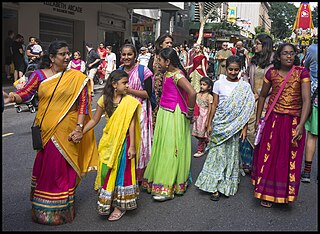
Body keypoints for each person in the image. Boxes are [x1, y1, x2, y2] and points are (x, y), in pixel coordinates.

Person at [3, 40, 99, 225]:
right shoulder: (39, 75)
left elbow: (83, 105)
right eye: (62, 54)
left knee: (63, 169)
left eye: (68, 53)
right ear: (52, 58)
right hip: (46, 130)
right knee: (47, 169)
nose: (67, 57)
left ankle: (61, 210)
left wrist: (79, 128)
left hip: (68, 130)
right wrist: (12, 97)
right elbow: (25, 93)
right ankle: (43, 209)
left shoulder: (77, 77)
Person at [75, 70, 141, 221]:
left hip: (124, 143)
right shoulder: (104, 100)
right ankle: (110, 199)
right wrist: (80, 131)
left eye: (127, 82)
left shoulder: (129, 102)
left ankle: (120, 206)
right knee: (106, 171)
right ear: (114, 84)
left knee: (122, 173)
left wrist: (132, 147)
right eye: (124, 83)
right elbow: (94, 120)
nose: (127, 85)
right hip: (108, 142)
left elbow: (131, 124)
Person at [251, 43, 311, 208]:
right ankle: (267, 193)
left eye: (291, 53)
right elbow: (263, 96)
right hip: (273, 121)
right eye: (285, 53)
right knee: (270, 156)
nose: (289, 56)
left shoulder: (302, 73)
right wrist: (258, 120)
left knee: (287, 158)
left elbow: (307, 100)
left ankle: (284, 194)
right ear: (278, 56)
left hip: (293, 123)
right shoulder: (272, 73)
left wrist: (301, 125)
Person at [195, 55, 255, 201]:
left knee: (230, 153)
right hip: (220, 123)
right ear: (226, 68)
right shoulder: (218, 84)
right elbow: (214, 105)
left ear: (240, 70)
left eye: (236, 70)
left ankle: (225, 184)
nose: (233, 72)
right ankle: (213, 185)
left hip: (235, 126)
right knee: (216, 153)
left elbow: (246, 109)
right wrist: (209, 124)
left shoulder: (244, 86)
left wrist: (244, 128)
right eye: (230, 69)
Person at [142, 47, 197, 201]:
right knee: (162, 147)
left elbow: (192, 93)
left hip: (174, 114)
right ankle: (160, 181)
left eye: (159, 59)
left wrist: (190, 113)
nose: (157, 62)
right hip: (165, 113)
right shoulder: (167, 73)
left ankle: (167, 186)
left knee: (170, 148)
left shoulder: (178, 75)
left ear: (167, 61)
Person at [119, 44, 154, 183]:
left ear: (135, 56)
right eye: (124, 55)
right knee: (123, 142)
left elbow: (147, 94)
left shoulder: (144, 71)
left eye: (129, 54)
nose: (126, 57)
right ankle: (125, 172)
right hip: (122, 112)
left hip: (140, 112)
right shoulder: (119, 71)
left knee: (140, 142)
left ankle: (139, 176)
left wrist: (129, 91)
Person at [239, 34, 274, 173]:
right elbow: (247, 75)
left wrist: (260, 94)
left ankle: (261, 163)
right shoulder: (253, 60)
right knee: (248, 129)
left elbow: (275, 82)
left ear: (265, 45)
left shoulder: (274, 62)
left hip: (266, 102)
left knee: (262, 131)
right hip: (251, 100)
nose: (255, 46)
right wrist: (248, 88)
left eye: (258, 43)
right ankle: (248, 162)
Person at [147, 34, 173, 128]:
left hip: (169, 90)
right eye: (167, 42)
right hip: (156, 90)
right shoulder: (154, 57)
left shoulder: (172, 57)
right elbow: (148, 73)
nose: (169, 44)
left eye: (171, 43)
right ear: (161, 44)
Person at [301, 42, 318, 183]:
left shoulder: (312, 49)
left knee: (312, 136)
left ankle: (307, 172)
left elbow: (305, 68)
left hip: (315, 97)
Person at [192, 76, 213, 158]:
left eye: (204, 85)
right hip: (198, 117)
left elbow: (210, 109)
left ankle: (200, 150)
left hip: (204, 116)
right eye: (201, 84)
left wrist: (208, 120)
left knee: (202, 134)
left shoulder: (209, 97)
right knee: (198, 134)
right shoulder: (198, 94)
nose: (201, 86)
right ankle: (207, 142)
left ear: (209, 87)